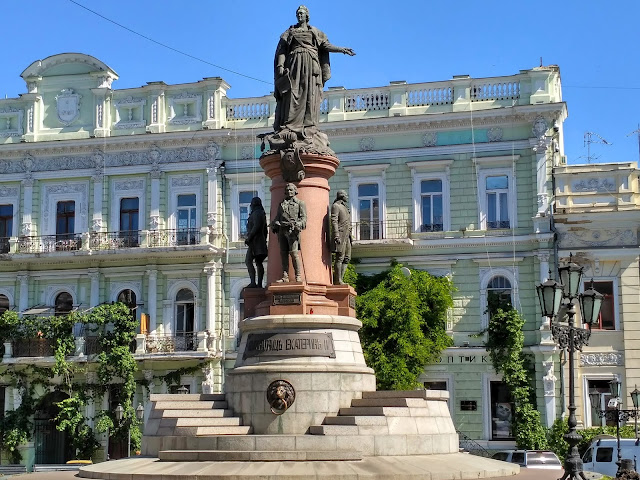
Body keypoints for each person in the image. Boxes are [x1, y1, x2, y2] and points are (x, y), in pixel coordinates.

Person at [273, 5, 355, 144]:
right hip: (294, 64)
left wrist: (342, 49)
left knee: (310, 93)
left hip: (311, 65)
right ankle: (290, 125)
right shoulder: (289, 32)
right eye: (298, 13)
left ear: (307, 16)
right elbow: (282, 50)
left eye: (302, 13)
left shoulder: (315, 32)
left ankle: (309, 124)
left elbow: (325, 46)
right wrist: (280, 66)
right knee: (293, 93)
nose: (299, 15)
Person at [271, 183, 307, 282]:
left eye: (291, 190)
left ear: (295, 191)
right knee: (283, 253)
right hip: (282, 230)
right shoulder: (281, 204)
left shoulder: (300, 203)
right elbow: (277, 217)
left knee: (294, 253)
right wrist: (275, 223)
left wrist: (298, 225)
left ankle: (298, 275)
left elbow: (304, 219)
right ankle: (285, 276)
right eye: (287, 190)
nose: (289, 192)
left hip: (292, 231)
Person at [244, 197, 268, 288]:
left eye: (252, 203)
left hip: (256, 241)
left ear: (254, 204)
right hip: (258, 241)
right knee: (258, 262)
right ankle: (257, 283)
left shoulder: (257, 213)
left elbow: (256, 226)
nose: (250, 205)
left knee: (249, 261)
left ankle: (255, 283)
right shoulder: (259, 212)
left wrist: (249, 238)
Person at [331, 190, 352, 285]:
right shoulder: (336, 206)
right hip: (341, 234)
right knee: (340, 257)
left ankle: (341, 278)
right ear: (341, 196)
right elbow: (334, 220)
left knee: (347, 258)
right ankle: (337, 280)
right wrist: (336, 234)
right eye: (346, 195)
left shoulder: (345, 207)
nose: (347, 197)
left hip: (347, 235)